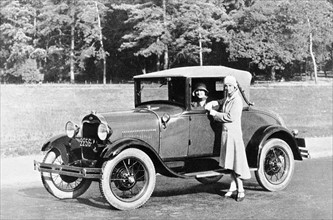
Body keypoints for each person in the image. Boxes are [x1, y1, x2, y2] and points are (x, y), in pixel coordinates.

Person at [205, 75, 251, 202]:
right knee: (230, 164)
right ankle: (232, 186)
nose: (228, 88)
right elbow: (223, 101)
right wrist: (215, 102)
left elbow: (230, 117)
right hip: (227, 134)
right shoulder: (228, 98)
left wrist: (215, 114)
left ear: (235, 86)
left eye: (230, 86)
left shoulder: (237, 100)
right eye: (226, 86)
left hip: (234, 135)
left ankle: (240, 189)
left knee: (236, 164)